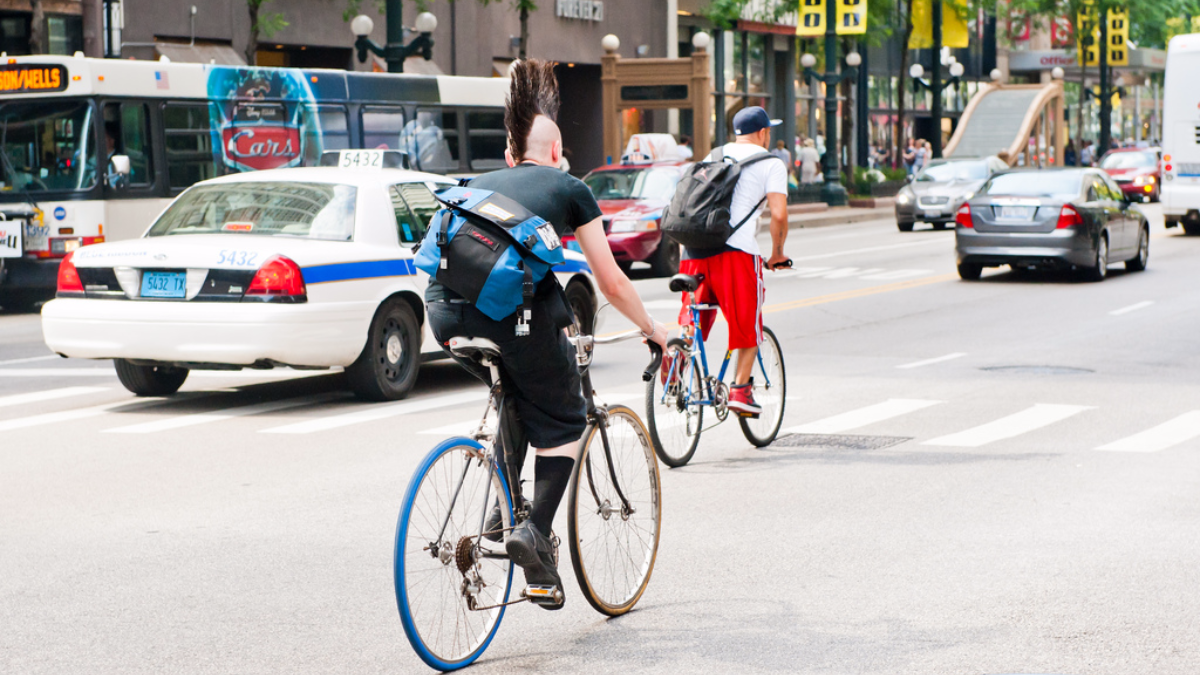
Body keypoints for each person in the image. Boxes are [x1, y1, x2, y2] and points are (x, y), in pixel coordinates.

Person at [424, 59, 668, 610]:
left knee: (515, 388)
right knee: (561, 417)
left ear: (511, 155)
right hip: (511, 316)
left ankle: (503, 509)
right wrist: (654, 329)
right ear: (557, 152)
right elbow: (609, 279)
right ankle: (531, 532)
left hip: (442, 317)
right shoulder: (569, 187)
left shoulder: (475, 184)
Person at [673, 106, 790, 416]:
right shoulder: (772, 164)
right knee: (747, 324)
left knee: (694, 320)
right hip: (736, 255)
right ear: (764, 133)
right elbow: (779, 213)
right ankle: (740, 390)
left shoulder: (714, 154)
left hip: (695, 252)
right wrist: (778, 253)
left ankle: (678, 364)